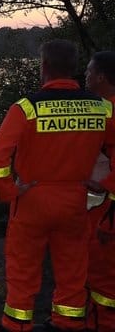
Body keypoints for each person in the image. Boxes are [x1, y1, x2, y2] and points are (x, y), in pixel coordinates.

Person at [0, 40, 115, 332]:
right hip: (75, 201)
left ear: (44, 67)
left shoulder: (27, 107)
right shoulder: (103, 108)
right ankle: (67, 325)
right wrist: (106, 183)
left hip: (32, 199)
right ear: (74, 68)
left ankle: (16, 327)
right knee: (72, 277)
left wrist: (8, 191)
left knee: (23, 275)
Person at [84, 51, 115, 332]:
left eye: (89, 72)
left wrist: (103, 184)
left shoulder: (111, 113)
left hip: (111, 215)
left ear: (101, 77)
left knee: (105, 285)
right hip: (104, 209)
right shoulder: (104, 109)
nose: (86, 76)